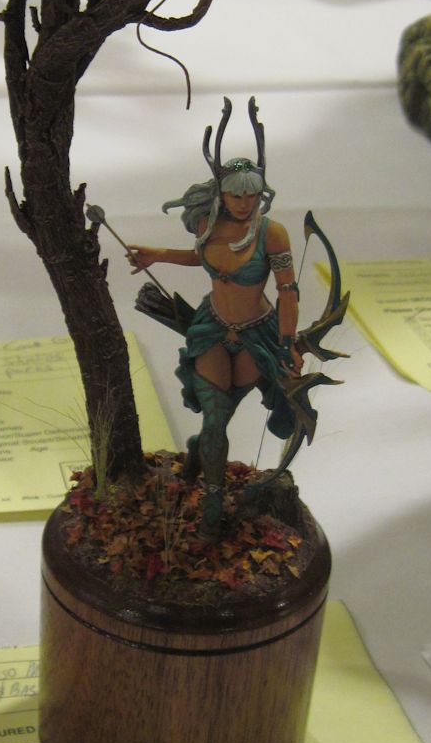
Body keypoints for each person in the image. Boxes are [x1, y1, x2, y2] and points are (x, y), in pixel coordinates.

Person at [127, 100, 302, 533]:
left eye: (252, 194)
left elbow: (288, 291)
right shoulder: (209, 225)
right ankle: (212, 501)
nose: (244, 203)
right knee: (216, 418)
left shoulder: (271, 233)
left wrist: (288, 343)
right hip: (210, 329)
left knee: (220, 416)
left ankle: (196, 451)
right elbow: (201, 257)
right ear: (221, 193)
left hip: (257, 336)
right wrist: (158, 254)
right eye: (236, 194)